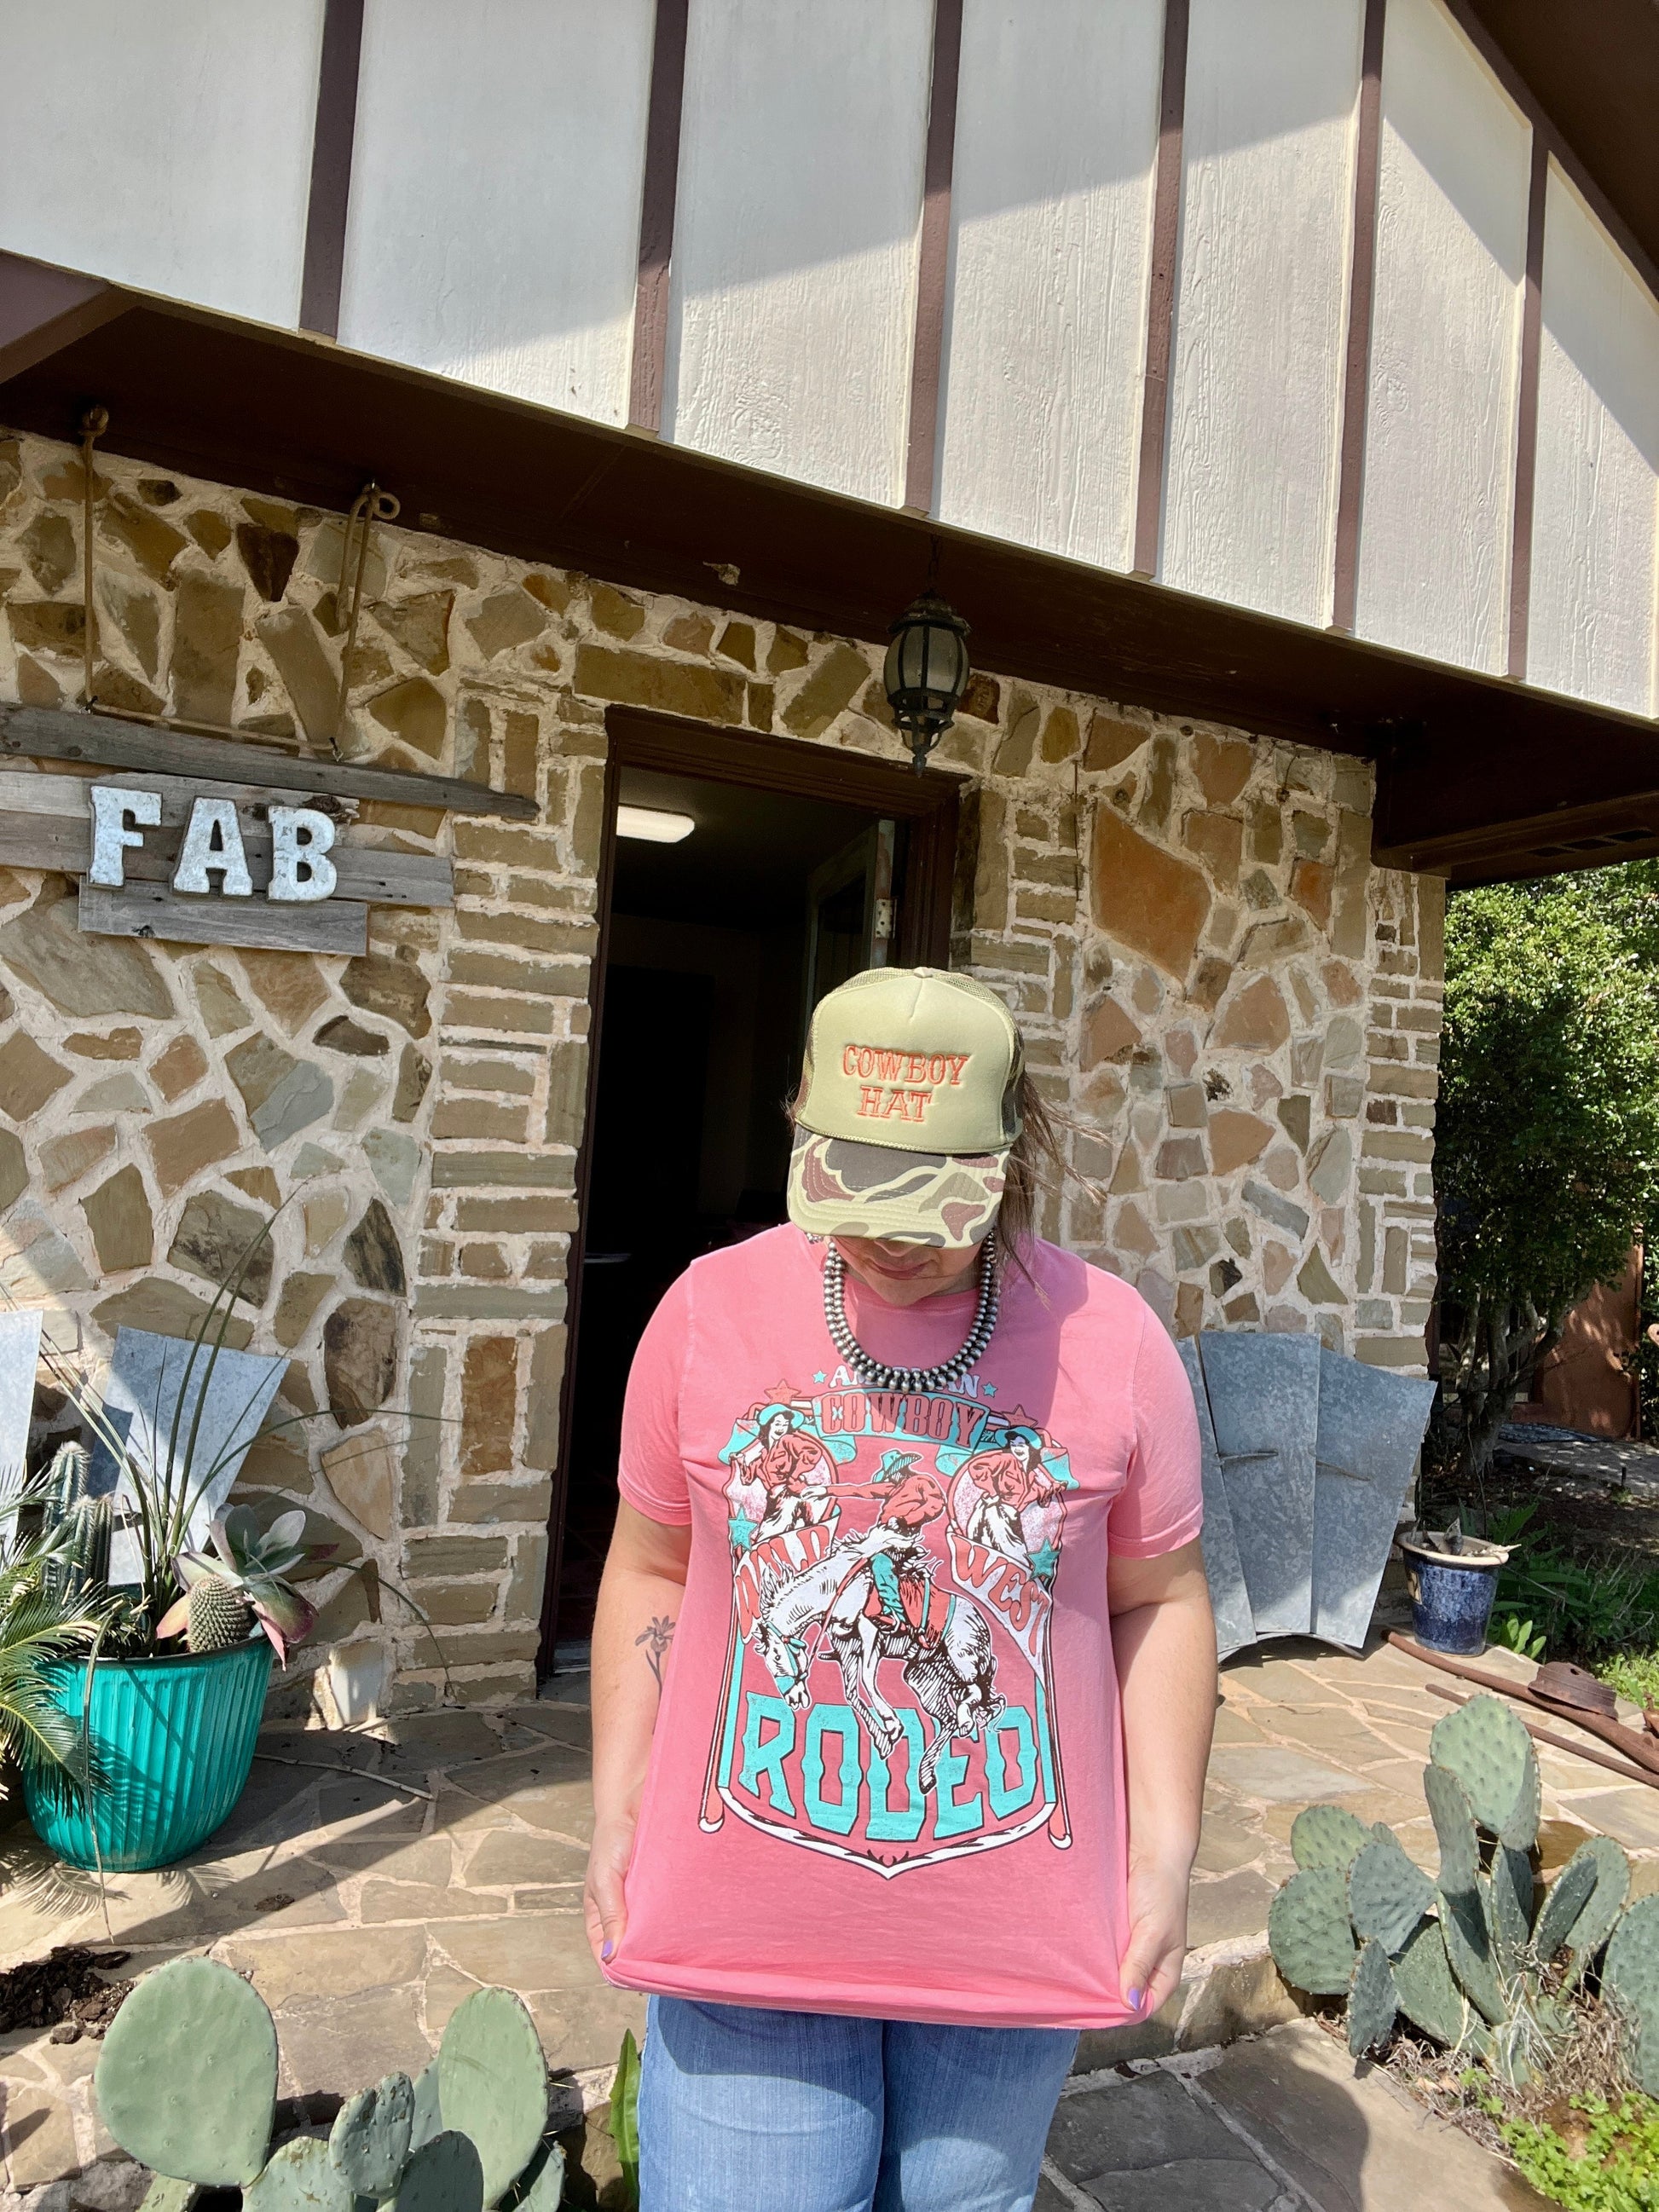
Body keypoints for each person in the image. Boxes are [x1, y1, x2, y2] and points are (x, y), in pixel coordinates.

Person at [586, 967, 1215, 2212]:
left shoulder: (1116, 1341)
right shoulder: (705, 1314)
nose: (892, 1237)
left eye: (936, 1201)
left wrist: (1166, 1851)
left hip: (1008, 1954)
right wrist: (617, 1808)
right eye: (857, 1185)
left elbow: (1160, 1596)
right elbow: (651, 1567)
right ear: (801, 1124)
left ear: (1009, 1151)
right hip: (743, 1946)